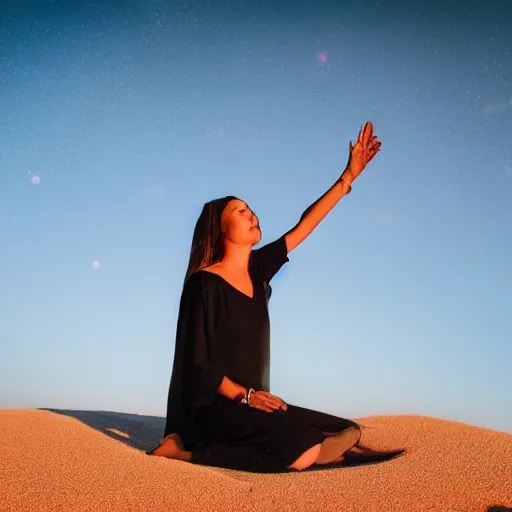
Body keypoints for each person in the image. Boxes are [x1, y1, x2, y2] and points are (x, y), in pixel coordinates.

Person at [148, 122, 403, 472]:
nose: (251, 213)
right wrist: (244, 395)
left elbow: (302, 227)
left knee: (346, 431)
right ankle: (184, 451)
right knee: (303, 448)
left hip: (253, 408)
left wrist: (348, 177)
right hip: (212, 409)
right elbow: (197, 364)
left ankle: (291, 446)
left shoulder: (258, 269)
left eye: (250, 207)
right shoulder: (203, 284)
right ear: (220, 228)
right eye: (239, 211)